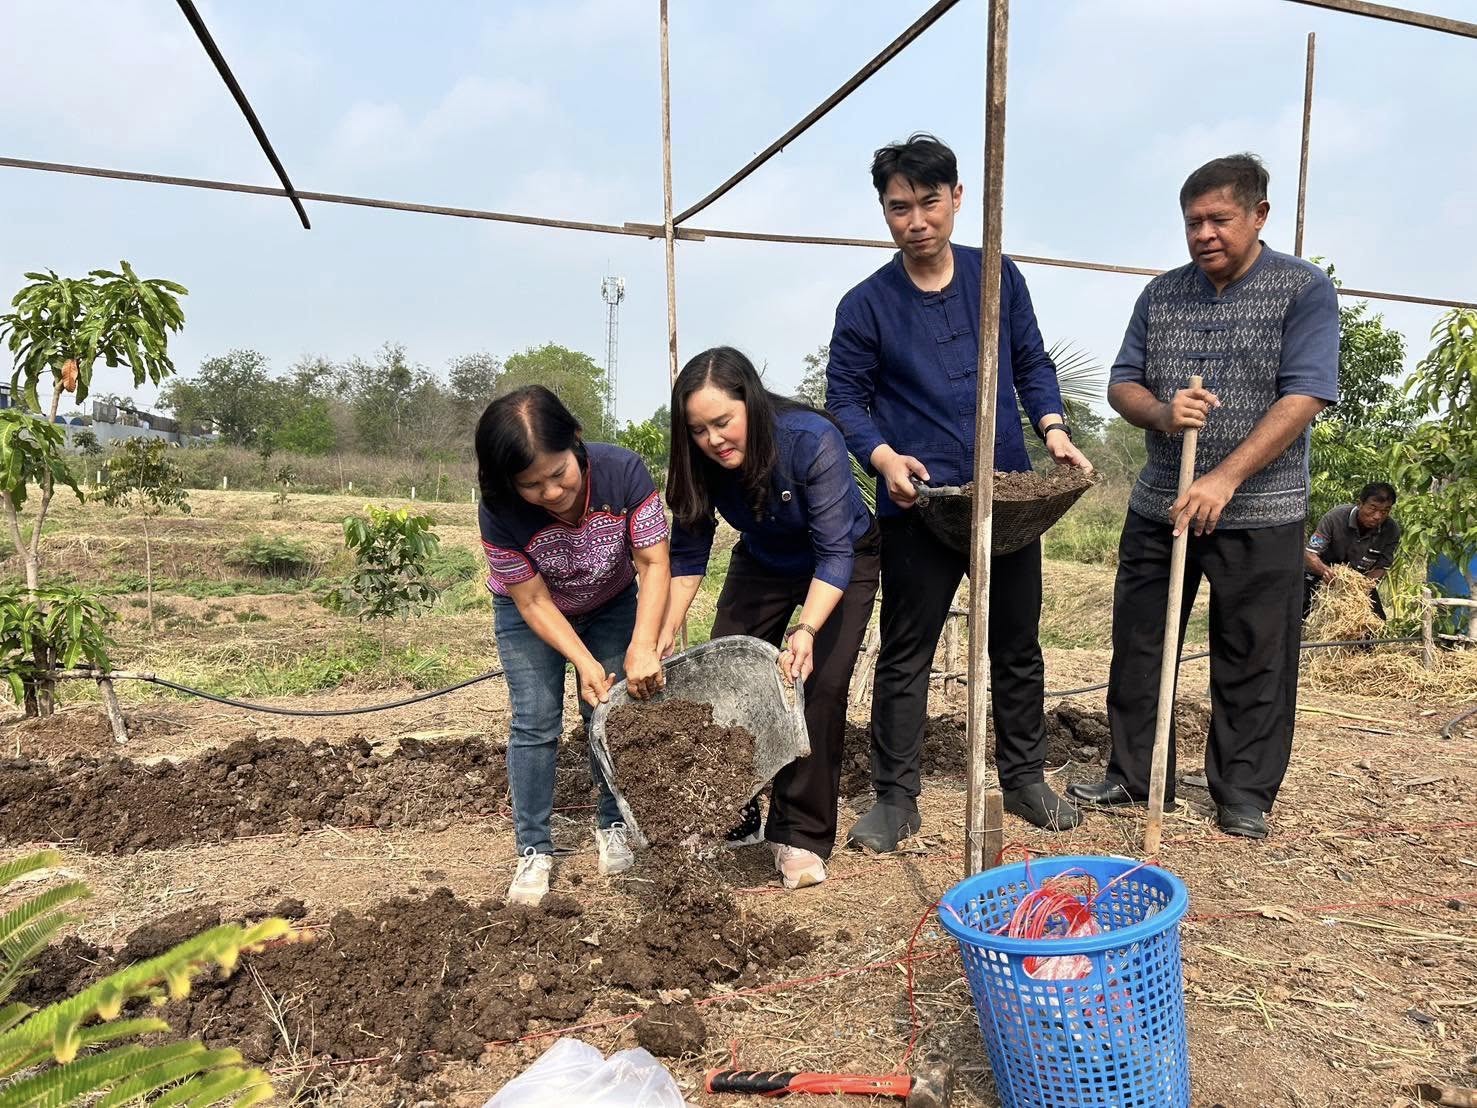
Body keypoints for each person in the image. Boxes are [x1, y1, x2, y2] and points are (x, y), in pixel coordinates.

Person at [826, 133, 1095, 850]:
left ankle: (1026, 780)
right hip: (918, 504)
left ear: (956, 199)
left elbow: (1030, 359)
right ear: (883, 211)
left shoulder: (996, 277)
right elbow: (845, 400)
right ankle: (895, 798)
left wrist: (1053, 429)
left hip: (1004, 498)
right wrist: (883, 457)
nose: (915, 221)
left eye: (928, 202)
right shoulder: (865, 306)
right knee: (905, 649)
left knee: (1015, 642)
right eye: (897, 207)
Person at [1068, 153, 1340, 841]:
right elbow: (1121, 383)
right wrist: (1160, 414)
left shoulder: (1302, 290)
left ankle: (1243, 792)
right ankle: (1132, 775)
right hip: (1160, 503)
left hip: (1261, 512)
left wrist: (1224, 477)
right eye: (1192, 222)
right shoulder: (1160, 295)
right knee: (1139, 644)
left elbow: (1303, 395)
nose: (1203, 234)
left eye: (1219, 219)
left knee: (1252, 654)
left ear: (1258, 215)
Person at [660, 347, 879, 889]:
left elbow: (834, 553)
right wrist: (662, 633)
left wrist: (805, 629)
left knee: (816, 686)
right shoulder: (699, 463)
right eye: (698, 429)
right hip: (764, 556)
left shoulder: (809, 440)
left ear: (751, 405)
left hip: (840, 560)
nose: (713, 439)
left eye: (723, 421)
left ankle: (799, 834)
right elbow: (688, 558)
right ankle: (735, 811)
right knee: (727, 680)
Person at [475, 385, 672, 906]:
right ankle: (534, 848)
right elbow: (534, 601)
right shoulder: (499, 511)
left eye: (558, 474)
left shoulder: (624, 473)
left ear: (577, 443)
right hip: (532, 614)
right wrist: (582, 662)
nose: (551, 493)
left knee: (611, 712)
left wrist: (644, 644)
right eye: (531, 485)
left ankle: (611, 824)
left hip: (611, 601)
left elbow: (653, 563)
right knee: (535, 721)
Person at [1304, 482, 1401, 621]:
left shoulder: (1391, 530)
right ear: (1360, 504)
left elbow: (1381, 566)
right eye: (1373, 508)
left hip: (1356, 582)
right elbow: (1310, 554)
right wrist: (1325, 571)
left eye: (1385, 511)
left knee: (1375, 621)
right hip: (1320, 573)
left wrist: (1364, 586)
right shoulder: (1335, 517)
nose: (1377, 516)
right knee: (1297, 609)